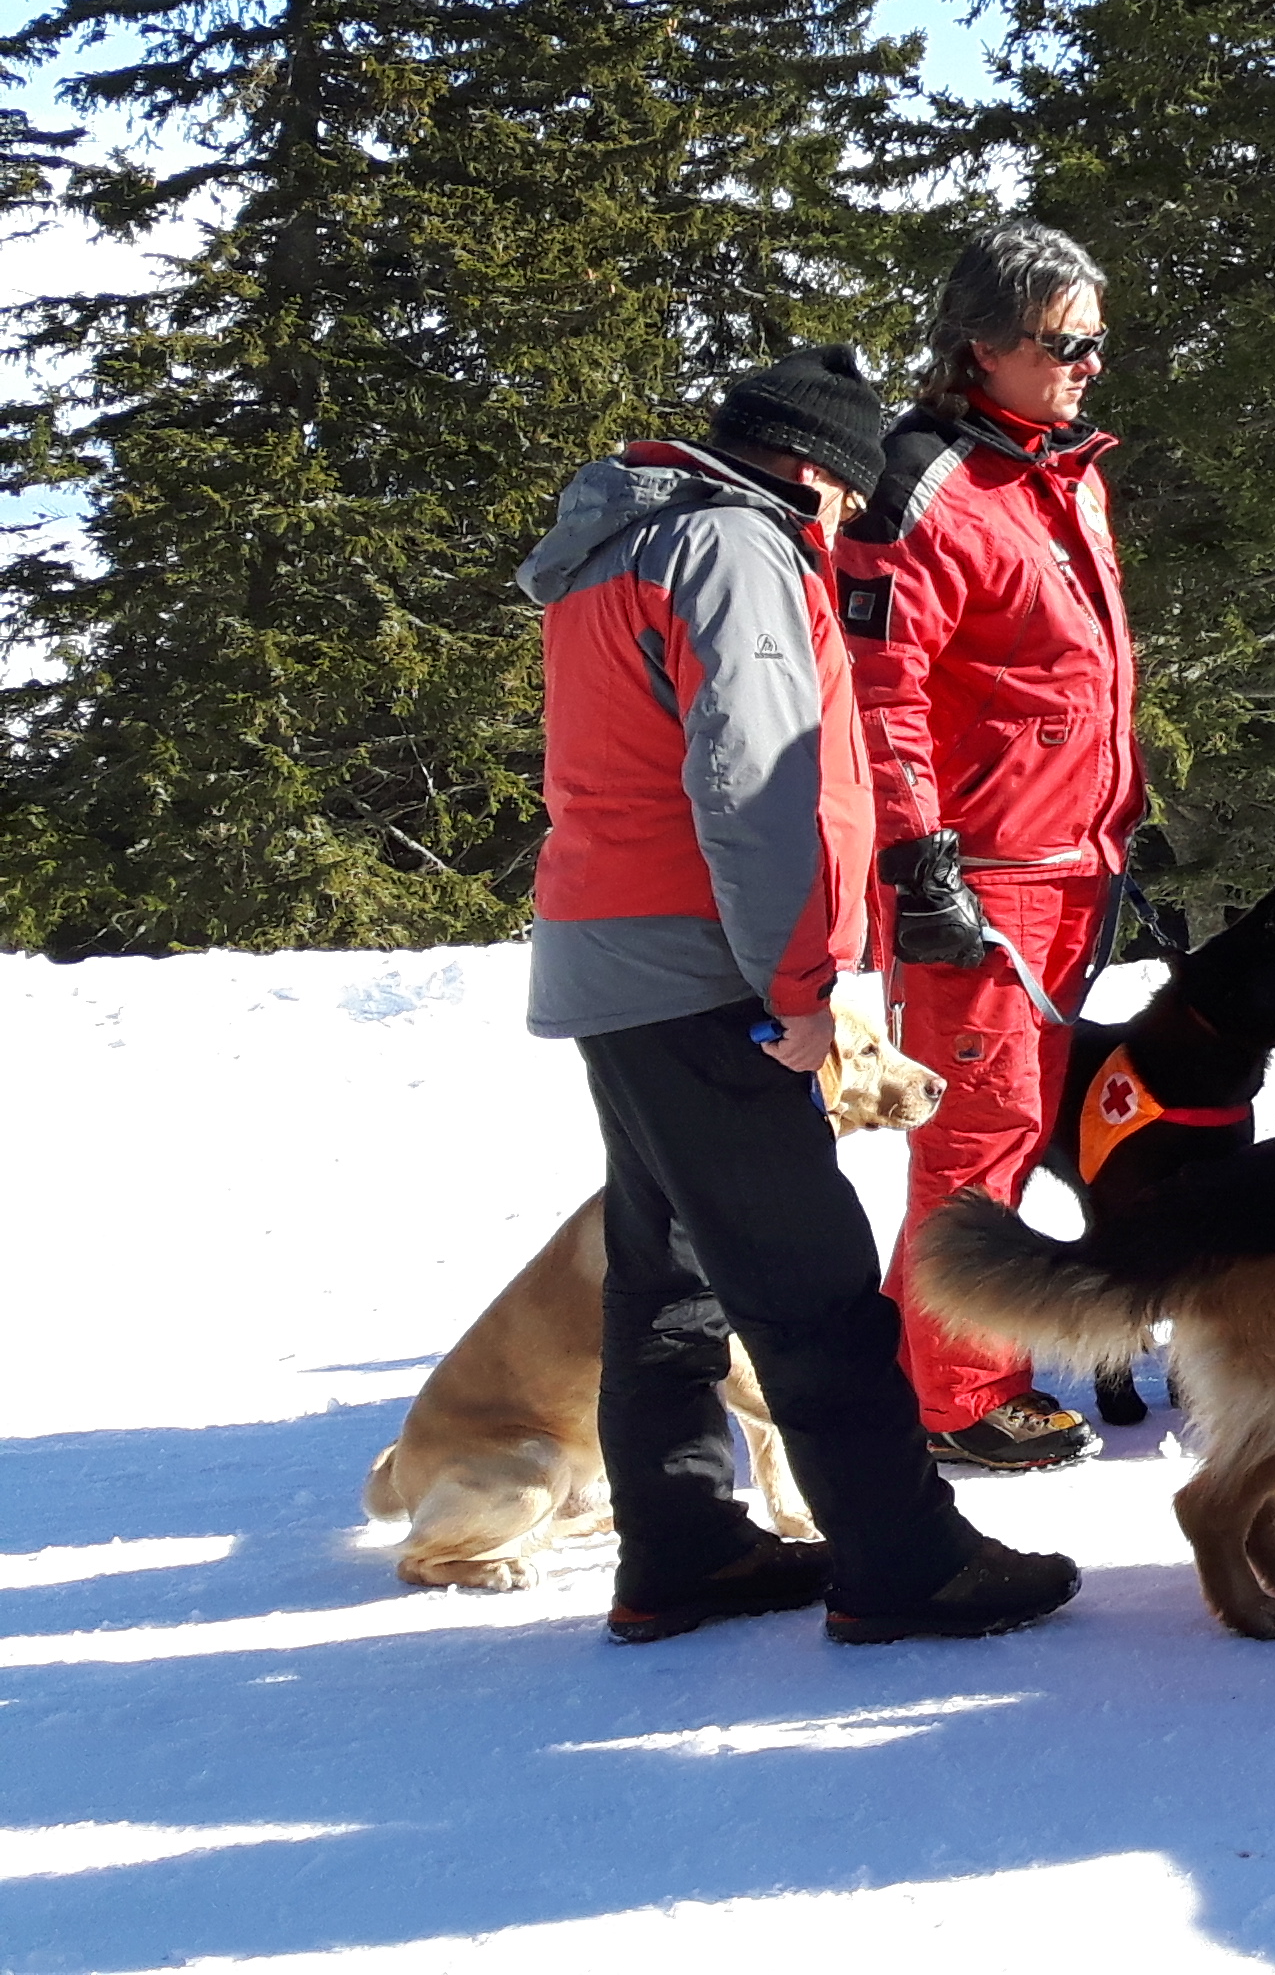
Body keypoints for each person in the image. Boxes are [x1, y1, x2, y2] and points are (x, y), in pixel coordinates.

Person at [519, 346, 1077, 1644]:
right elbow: (762, 781)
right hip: (705, 965)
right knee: (810, 1275)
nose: (849, 533)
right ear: (816, 474)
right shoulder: (735, 550)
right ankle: (905, 1562)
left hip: (612, 956)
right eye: (852, 504)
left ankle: (685, 1541)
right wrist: (805, 986)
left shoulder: (621, 547)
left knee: (667, 1266)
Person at [832, 224, 1140, 1474]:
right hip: (984, 868)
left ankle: (959, 1353)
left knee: (1017, 1124)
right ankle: (956, 1393)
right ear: (983, 344)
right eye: (1063, 343)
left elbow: (1073, 677)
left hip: (1071, 855)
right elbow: (878, 691)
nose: (1086, 367)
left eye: (1096, 344)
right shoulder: (926, 482)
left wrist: (1123, 819)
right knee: (976, 1130)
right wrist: (919, 863)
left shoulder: (1062, 471)